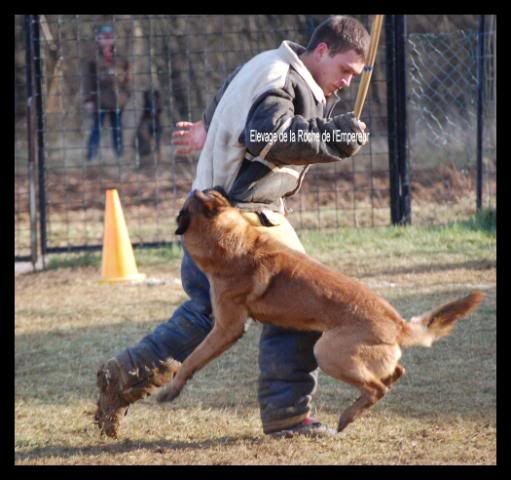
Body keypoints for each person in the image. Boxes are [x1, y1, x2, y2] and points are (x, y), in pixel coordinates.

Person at [95, 15, 370, 439]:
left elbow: (233, 91)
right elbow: (269, 135)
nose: (348, 82)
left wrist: (210, 125)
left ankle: (124, 373)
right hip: (237, 221)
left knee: (207, 314)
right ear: (321, 51)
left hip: (214, 218)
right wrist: (333, 136)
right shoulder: (282, 78)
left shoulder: (267, 63)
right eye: (345, 71)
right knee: (303, 307)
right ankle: (288, 417)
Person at [83, 24, 131, 161]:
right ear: (98, 38)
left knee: (117, 130)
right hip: (99, 101)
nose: (107, 40)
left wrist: (126, 95)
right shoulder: (92, 59)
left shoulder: (121, 58)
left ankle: (119, 158)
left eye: (110, 37)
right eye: (104, 37)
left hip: (118, 101)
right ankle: (91, 158)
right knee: (96, 130)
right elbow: (87, 81)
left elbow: (128, 78)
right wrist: (88, 100)